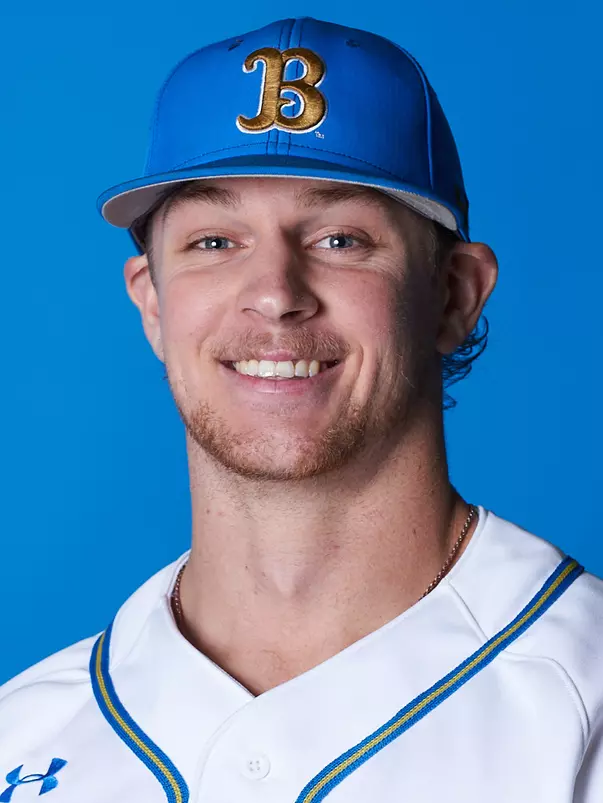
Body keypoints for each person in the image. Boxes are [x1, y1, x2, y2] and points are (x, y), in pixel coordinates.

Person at [0, 16, 601, 803]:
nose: (275, 294)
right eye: (215, 242)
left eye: (340, 239)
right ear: (152, 303)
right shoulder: (23, 735)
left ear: (453, 295)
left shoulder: (582, 700)